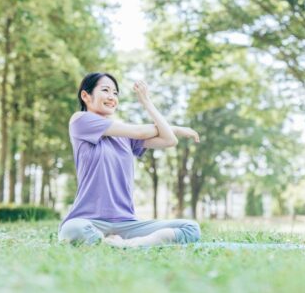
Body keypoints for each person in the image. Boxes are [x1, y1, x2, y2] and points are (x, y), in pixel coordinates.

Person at [58, 72, 201, 247]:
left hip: (127, 223)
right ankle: (118, 243)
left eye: (115, 93)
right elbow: (141, 131)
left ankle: (127, 243)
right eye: (105, 90)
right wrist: (176, 128)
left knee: (190, 228)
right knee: (74, 229)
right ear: (85, 96)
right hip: (88, 220)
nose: (112, 97)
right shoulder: (80, 120)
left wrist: (147, 103)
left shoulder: (125, 135)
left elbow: (169, 140)